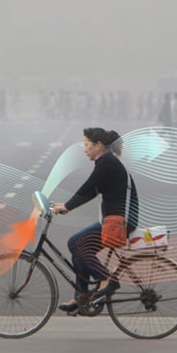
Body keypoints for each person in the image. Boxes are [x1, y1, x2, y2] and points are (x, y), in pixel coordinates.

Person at [51, 128, 139, 314]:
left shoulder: (106, 162)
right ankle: (81, 297)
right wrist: (66, 205)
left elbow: (88, 187)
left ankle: (106, 280)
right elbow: (91, 191)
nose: (85, 149)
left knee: (75, 243)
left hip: (120, 223)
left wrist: (66, 207)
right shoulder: (105, 161)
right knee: (79, 246)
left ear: (98, 145)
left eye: (87, 145)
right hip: (114, 220)